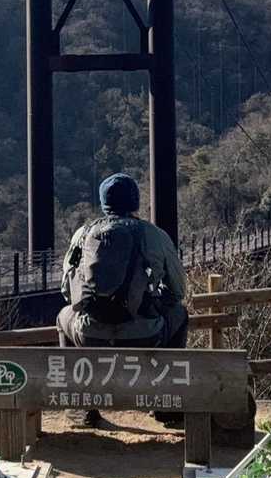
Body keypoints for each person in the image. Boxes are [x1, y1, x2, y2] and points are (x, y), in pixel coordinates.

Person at [58, 172, 189, 427]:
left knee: (63, 317)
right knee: (180, 314)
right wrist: (150, 299)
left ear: (103, 203)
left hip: (91, 335)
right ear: (135, 201)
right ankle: (166, 405)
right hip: (144, 334)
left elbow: (66, 290)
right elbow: (177, 291)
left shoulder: (83, 234)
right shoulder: (154, 235)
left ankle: (81, 405)